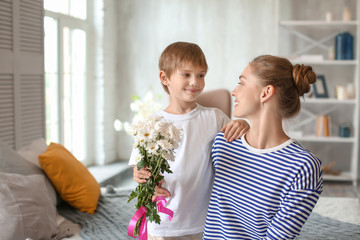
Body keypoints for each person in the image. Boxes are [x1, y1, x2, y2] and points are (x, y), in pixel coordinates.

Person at [129, 41, 249, 240]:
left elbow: (245, 147)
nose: (195, 81)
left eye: (201, 75)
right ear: (164, 77)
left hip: (205, 222)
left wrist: (244, 124)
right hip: (164, 222)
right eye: (186, 74)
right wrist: (140, 175)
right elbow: (139, 169)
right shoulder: (151, 124)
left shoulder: (215, 117)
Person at [203, 55, 323, 240]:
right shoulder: (224, 143)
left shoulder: (303, 167)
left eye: (241, 83)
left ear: (265, 93)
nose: (234, 92)